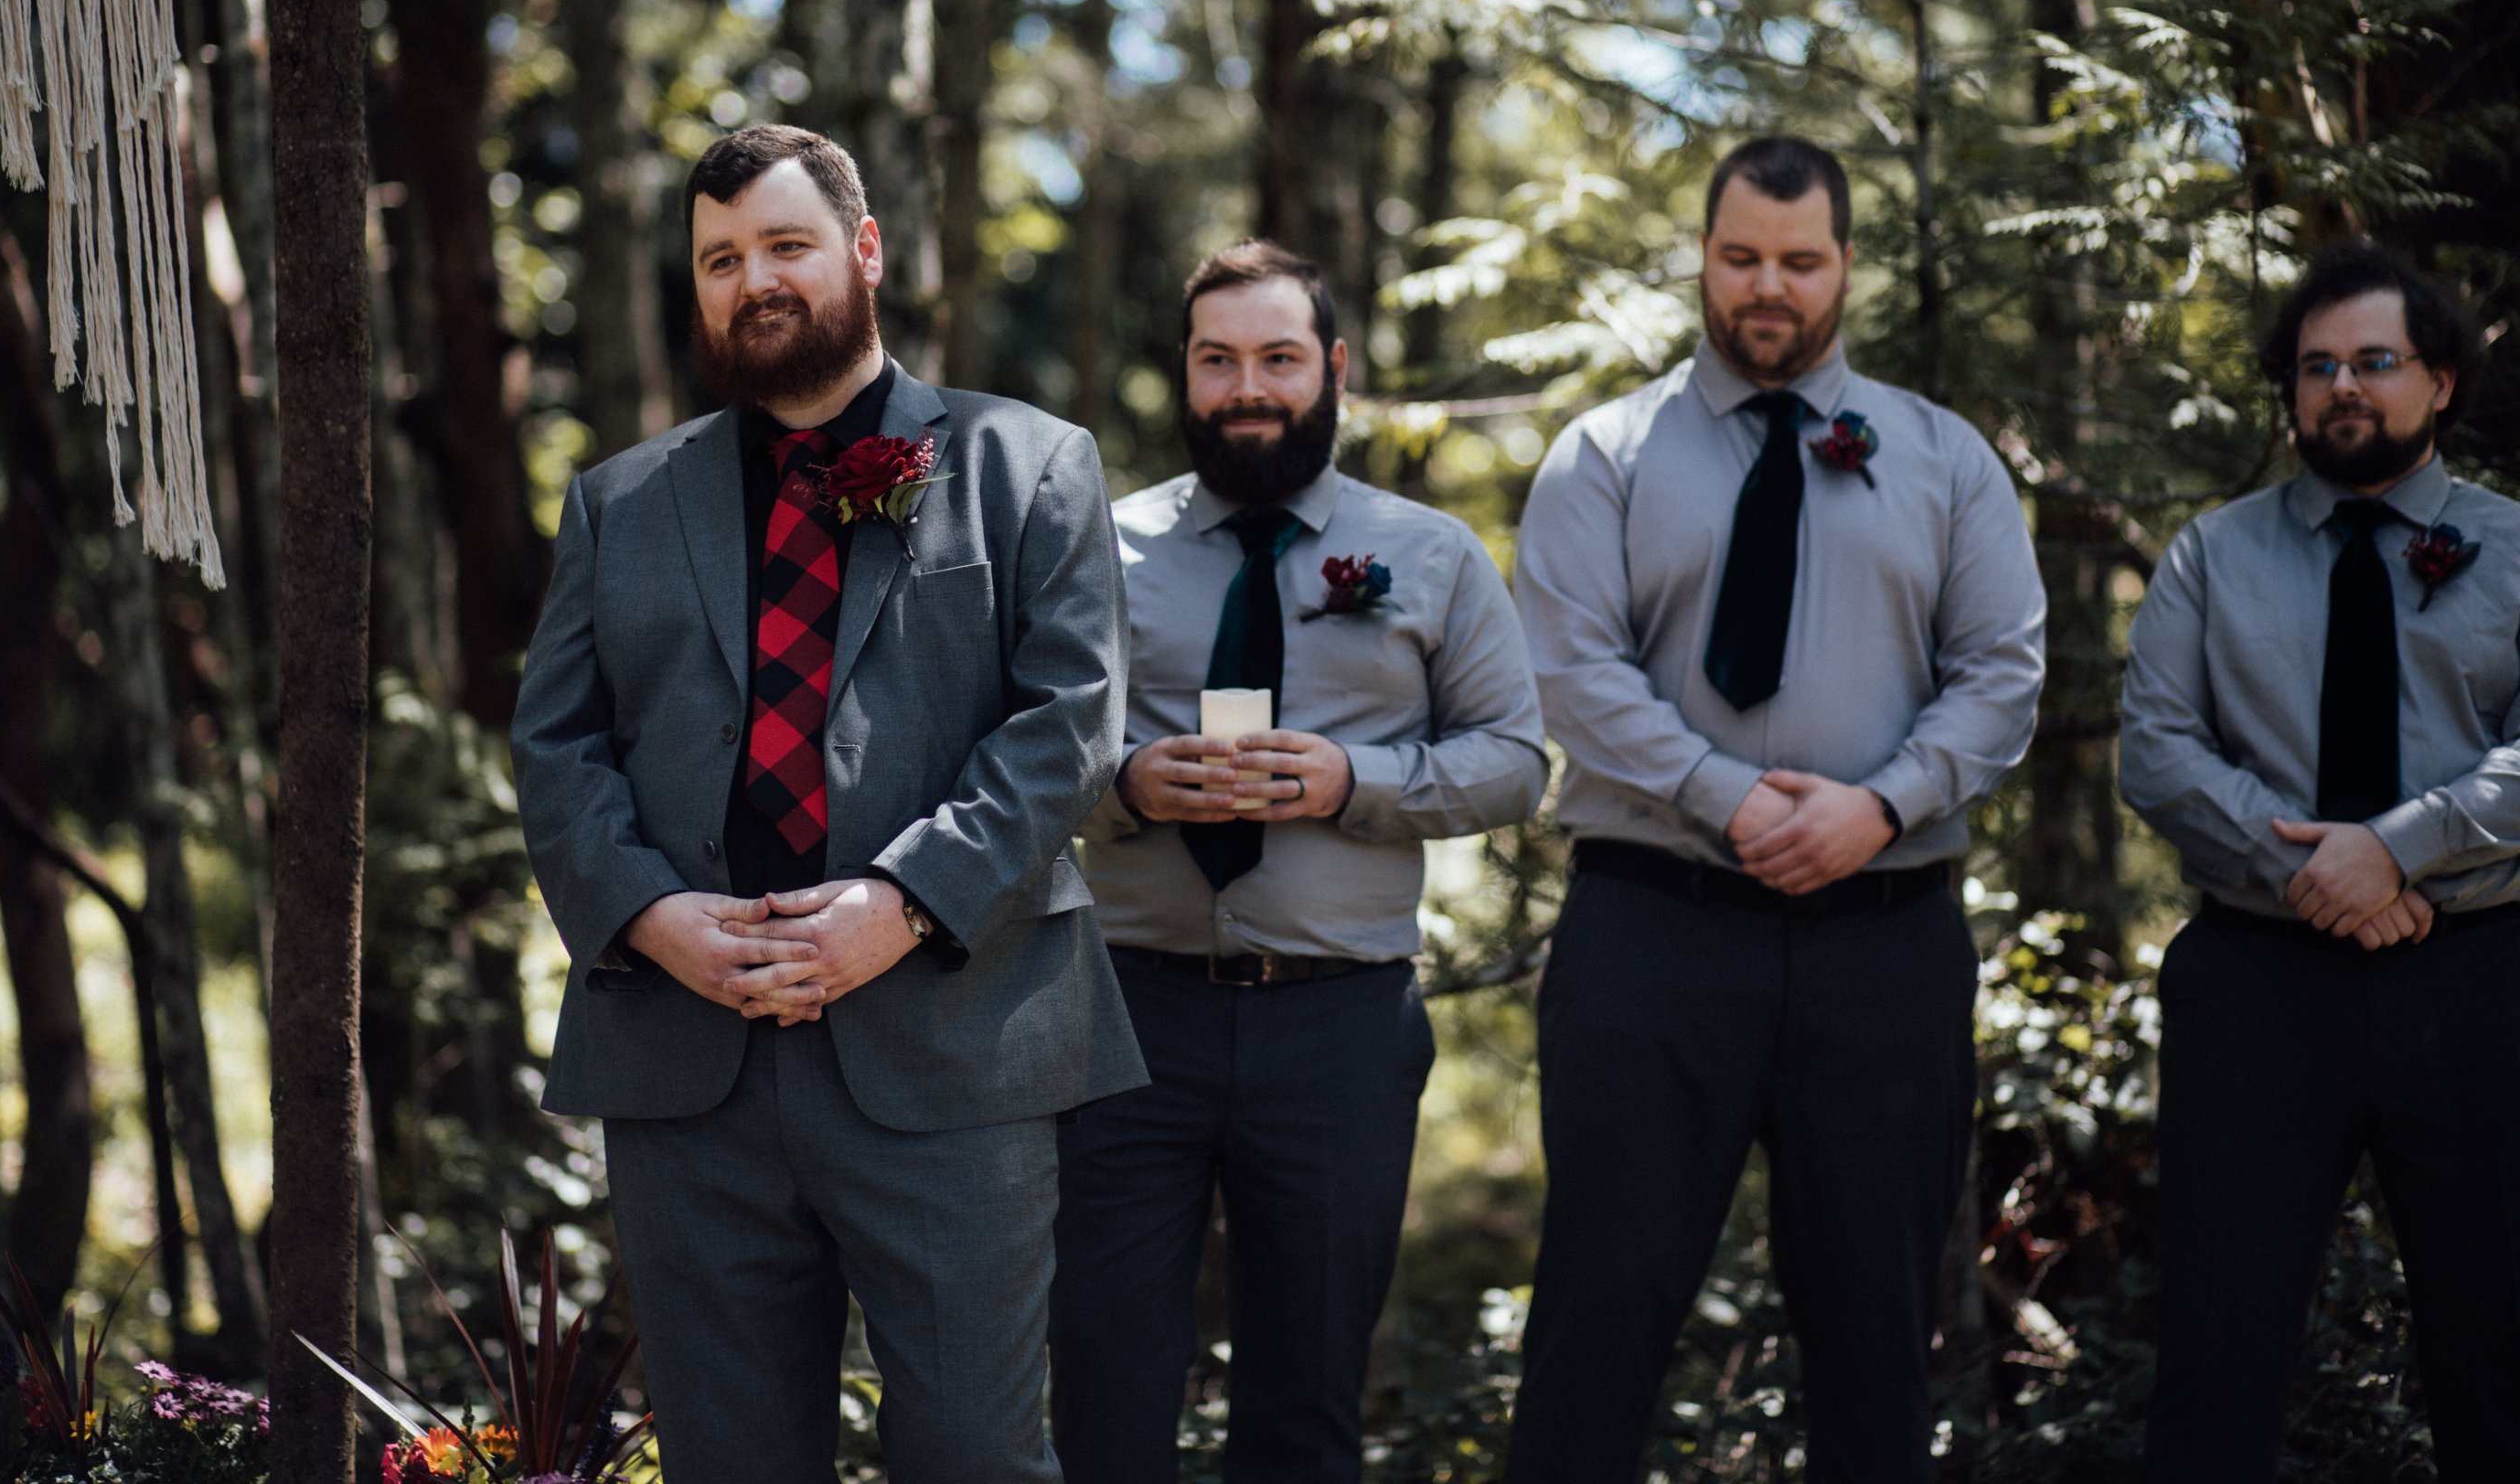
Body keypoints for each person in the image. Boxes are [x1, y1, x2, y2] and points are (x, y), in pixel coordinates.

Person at [510, 124, 1145, 1484]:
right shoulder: (621, 502)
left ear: (863, 252)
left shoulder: (1027, 463)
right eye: (720, 260)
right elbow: (556, 750)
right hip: (689, 1063)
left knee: (975, 1460)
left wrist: (904, 904)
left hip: (954, 1052)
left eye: (785, 245)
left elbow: (1070, 727)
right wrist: (652, 917)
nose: (755, 281)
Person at [1504, 136, 2045, 1481]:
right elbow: (1574, 671)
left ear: (1845, 266)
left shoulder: (1944, 458)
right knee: (1596, 1329)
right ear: (1703, 257)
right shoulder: (1604, 454)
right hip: (1652, 935)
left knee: (1876, 1350)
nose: (1769, 287)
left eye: (1800, 262)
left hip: (1885, 944)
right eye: (1742, 257)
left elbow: (2002, 673)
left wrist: (1883, 807)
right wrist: (1730, 799)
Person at [1052, 240, 1548, 1483]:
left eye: (1277, 358)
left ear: (1333, 367)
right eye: (1217, 361)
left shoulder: (1430, 553)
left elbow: (1514, 763)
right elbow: (1020, 749)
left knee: (1308, 1401)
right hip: (1125, 1021)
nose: (1248, 389)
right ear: (1185, 373)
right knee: (1102, 1379)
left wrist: (1354, 781)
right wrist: (1125, 785)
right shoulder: (1098, 546)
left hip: (1340, 1030)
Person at [2120, 239, 2520, 1481]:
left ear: (2439, 380)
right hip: (2257, 988)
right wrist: (2324, 876)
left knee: (2501, 1354)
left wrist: (2398, 850)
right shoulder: (2210, 556)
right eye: (2316, 366)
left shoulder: (2516, 546)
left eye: (2375, 361)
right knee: (2216, 1357)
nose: (2343, 385)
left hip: (2480, 981)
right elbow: (2159, 753)